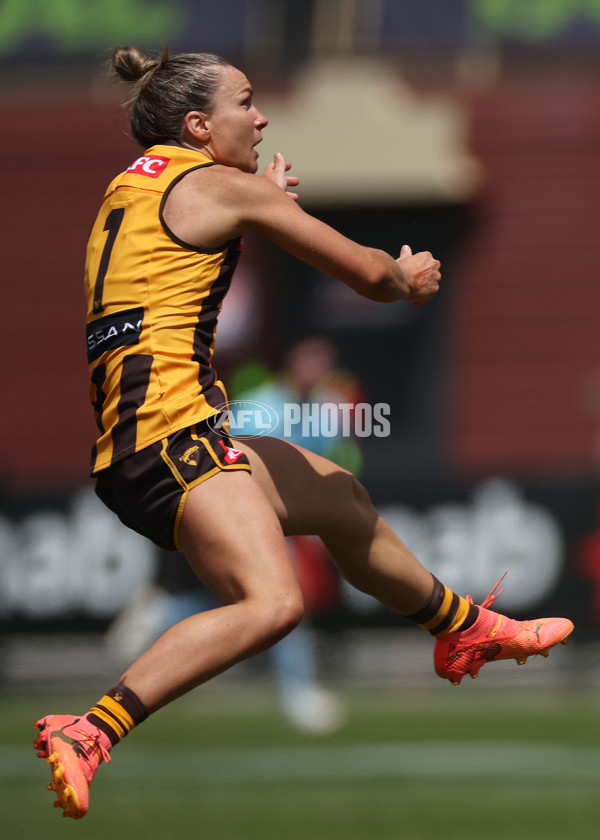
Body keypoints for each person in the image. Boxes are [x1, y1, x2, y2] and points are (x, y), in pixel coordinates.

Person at [34, 45, 574, 820]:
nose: (259, 116)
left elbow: (174, 262)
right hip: (172, 440)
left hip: (152, 440)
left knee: (341, 501)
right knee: (273, 605)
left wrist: (257, 199)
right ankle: (90, 729)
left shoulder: (134, 188)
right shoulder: (218, 186)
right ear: (197, 124)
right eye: (244, 102)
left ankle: (464, 630)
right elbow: (367, 275)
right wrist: (407, 275)